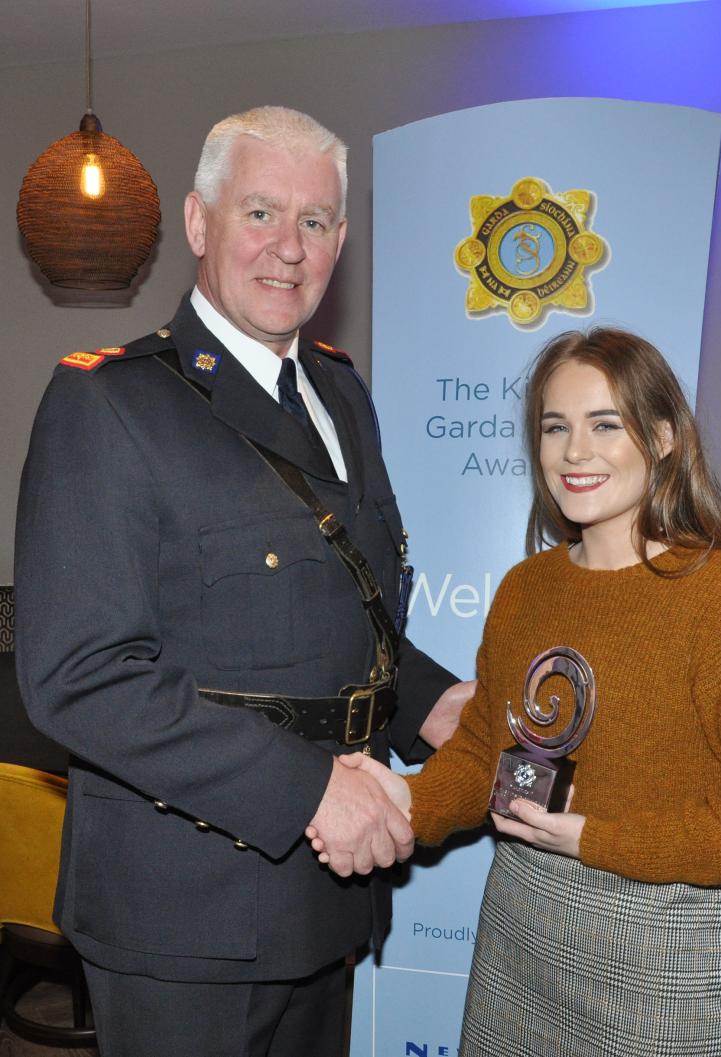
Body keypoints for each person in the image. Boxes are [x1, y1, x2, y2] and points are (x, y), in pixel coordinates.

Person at [14, 106, 472, 1057]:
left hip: (328, 898)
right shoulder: (108, 403)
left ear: (341, 239)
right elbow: (80, 675)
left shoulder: (341, 390)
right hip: (184, 909)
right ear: (197, 223)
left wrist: (433, 705)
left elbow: (350, 613)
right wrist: (308, 791)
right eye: (260, 212)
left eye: (315, 222)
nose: (289, 249)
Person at [311, 327, 721, 1057]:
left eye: (603, 424)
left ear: (660, 437)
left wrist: (596, 839)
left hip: (659, 952)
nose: (573, 452)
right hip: (520, 929)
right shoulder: (528, 590)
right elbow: (485, 757)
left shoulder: (720, 597)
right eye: (554, 427)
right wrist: (405, 801)